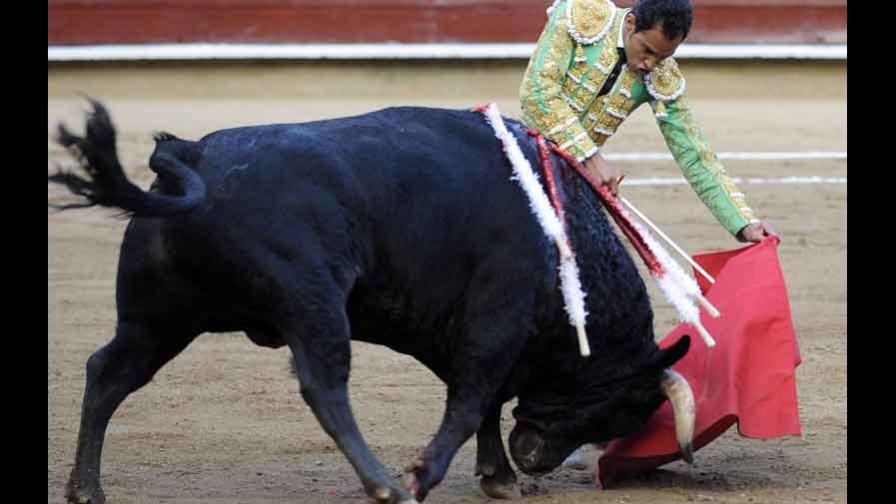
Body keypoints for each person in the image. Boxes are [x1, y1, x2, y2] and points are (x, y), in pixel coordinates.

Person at [519, 0, 775, 243]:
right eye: (647, 50)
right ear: (630, 23)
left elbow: (693, 153)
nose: (650, 64)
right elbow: (538, 93)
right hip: (518, 151)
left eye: (661, 57)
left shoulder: (661, 76)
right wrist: (589, 156)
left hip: (570, 181)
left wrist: (743, 222)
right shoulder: (583, 16)